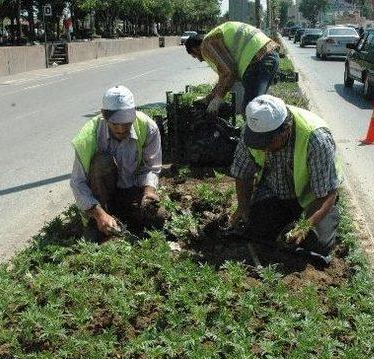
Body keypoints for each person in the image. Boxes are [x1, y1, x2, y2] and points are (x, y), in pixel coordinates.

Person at [230, 95, 342, 260]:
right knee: (254, 229)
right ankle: (285, 222)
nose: (264, 150)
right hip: (274, 192)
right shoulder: (253, 130)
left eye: (268, 143)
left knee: (316, 244)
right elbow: (243, 173)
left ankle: (324, 218)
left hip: (313, 199)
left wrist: (305, 226)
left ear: (285, 130)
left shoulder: (316, 139)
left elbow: (327, 193)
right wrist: (243, 207)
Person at [70, 85, 166, 239]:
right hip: (102, 199)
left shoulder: (148, 127)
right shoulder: (88, 136)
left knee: (159, 217)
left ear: (134, 112)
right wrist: (99, 214)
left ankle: (125, 214)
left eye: (127, 123)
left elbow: (152, 167)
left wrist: (149, 192)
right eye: (115, 124)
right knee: (102, 161)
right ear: (103, 115)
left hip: (132, 190)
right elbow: (78, 183)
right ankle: (100, 221)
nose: (121, 129)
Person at [185, 21, 281, 115]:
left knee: (251, 111)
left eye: (194, 56)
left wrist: (218, 99)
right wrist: (209, 98)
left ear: (195, 49)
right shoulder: (214, 37)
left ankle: (271, 129)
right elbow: (224, 77)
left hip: (259, 60)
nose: (199, 60)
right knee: (256, 107)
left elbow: (229, 73)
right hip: (266, 56)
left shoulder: (207, 44)